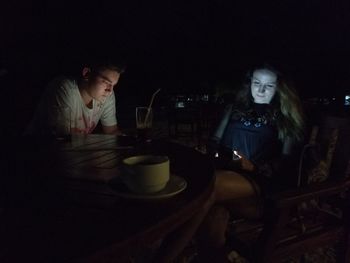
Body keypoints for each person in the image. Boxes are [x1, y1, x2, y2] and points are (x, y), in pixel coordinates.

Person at [196, 63, 305, 261]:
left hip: (262, 188)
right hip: (229, 175)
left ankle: (166, 257)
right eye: (257, 83)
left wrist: (254, 167)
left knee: (205, 188)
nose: (261, 90)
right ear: (250, 84)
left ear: (279, 89)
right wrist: (220, 157)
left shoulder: (284, 117)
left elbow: (287, 161)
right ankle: (215, 255)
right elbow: (214, 141)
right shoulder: (235, 108)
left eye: (269, 86)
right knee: (212, 213)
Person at [26, 58, 125, 136]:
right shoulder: (64, 89)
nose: (110, 90)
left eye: (113, 85)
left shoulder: (106, 95)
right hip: (37, 152)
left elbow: (111, 132)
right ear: (87, 74)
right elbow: (63, 142)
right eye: (106, 82)